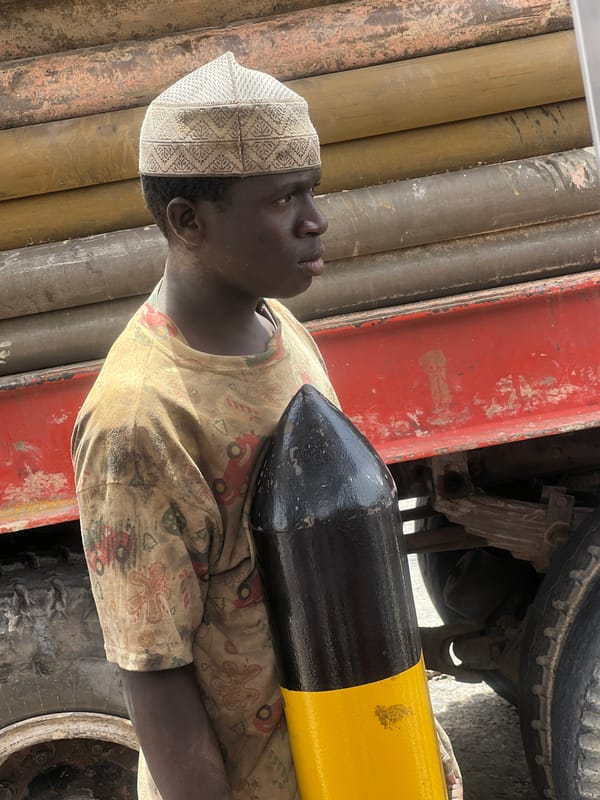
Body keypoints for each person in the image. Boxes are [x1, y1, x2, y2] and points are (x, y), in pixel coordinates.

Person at [72, 52, 462, 800]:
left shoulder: (277, 325)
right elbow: (154, 675)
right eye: (284, 199)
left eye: (311, 191)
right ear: (188, 220)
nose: (316, 220)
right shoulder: (142, 417)